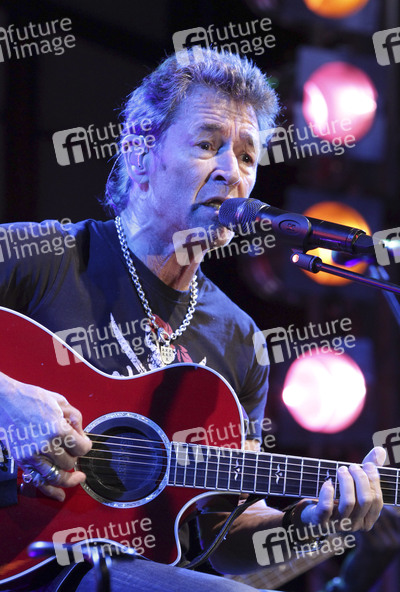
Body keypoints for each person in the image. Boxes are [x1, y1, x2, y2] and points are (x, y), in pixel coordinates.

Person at [0, 48, 385, 592]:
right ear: (139, 152)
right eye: (208, 145)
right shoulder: (41, 257)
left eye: (247, 157)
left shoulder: (239, 339)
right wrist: (7, 399)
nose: (232, 172)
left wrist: (311, 525)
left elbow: (223, 537)